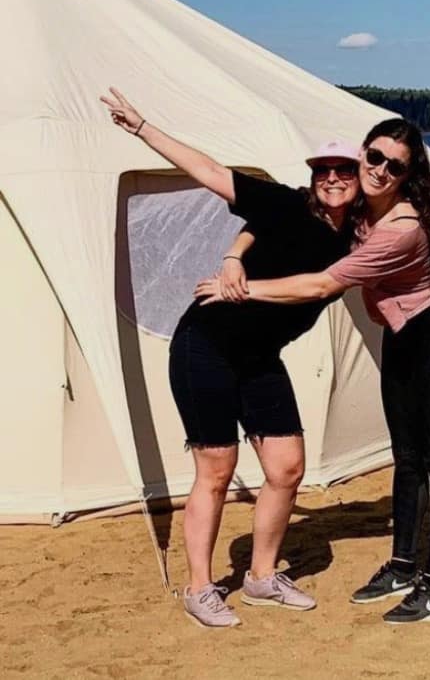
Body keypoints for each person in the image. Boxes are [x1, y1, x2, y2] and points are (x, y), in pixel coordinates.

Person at [196, 119, 430, 625]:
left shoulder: (402, 228)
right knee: (406, 455)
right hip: (403, 334)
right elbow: (271, 213)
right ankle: (404, 565)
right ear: (362, 155)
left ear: (409, 175)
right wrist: (235, 253)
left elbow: (321, 286)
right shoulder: (360, 208)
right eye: (375, 157)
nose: (381, 170)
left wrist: (239, 287)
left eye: (396, 165)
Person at [98, 88, 354, 628]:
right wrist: (144, 127)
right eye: (324, 170)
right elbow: (209, 170)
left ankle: (261, 577)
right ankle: (199, 588)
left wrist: (238, 259)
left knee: (286, 468)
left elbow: (320, 284)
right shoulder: (285, 202)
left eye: (344, 171)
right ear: (313, 176)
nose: (332, 178)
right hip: (206, 347)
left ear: (360, 181)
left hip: (260, 356)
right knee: (217, 471)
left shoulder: (360, 239)